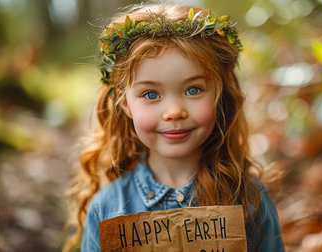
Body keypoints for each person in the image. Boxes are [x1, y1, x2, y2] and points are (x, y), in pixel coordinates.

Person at [64, 3, 284, 252]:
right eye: (150, 94)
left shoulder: (250, 200)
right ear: (125, 103)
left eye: (193, 90)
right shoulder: (107, 209)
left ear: (219, 95)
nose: (174, 111)